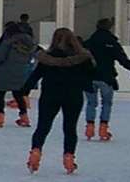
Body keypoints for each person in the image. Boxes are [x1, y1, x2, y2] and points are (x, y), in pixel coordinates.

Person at [24, 28, 96, 174]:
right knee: (70, 128)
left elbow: (35, 76)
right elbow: (91, 74)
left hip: (50, 95)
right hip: (73, 96)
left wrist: (24, 90)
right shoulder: (82, 58)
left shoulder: (46, 58)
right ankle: (69, 158)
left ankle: (36, 152)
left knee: (43, 126)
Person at [82, 17, 130, 141]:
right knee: (106, 103)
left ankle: (89, 127)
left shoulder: (88, 42)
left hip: (89, 77)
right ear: (110, 27)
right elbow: (123, 60)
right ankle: (103, 129)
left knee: (91, 103)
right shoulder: (112, 42)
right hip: (106, 76)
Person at [0, 25, 39, 127]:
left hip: (5, 71)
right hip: (22, 72)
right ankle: (24, 117)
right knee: (19, 94)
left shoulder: (8, 42)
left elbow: (1, 57)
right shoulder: (31, 43)